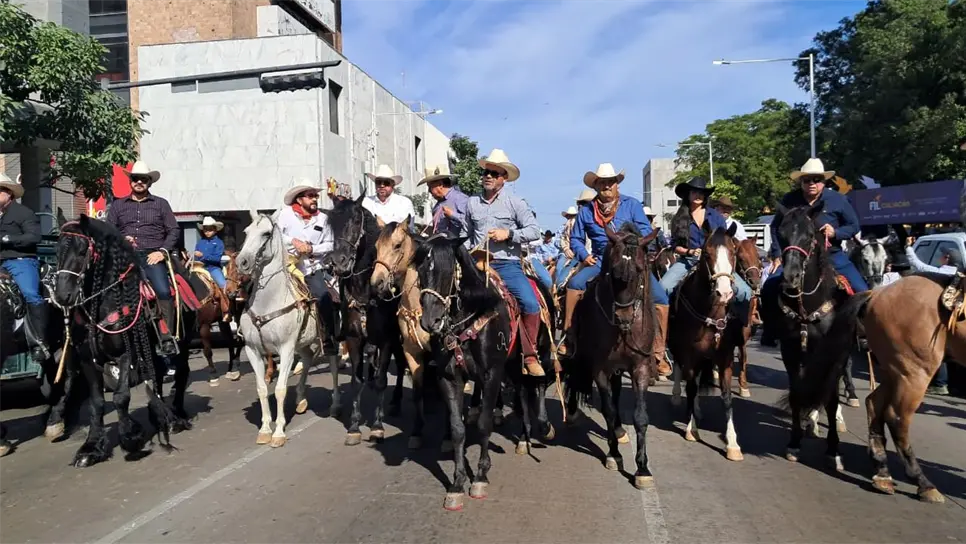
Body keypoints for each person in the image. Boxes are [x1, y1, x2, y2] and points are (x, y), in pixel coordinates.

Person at [560, 163, 672, 377]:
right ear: (596, 186)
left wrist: (634, 243)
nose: (606, 186)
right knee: (574, 284)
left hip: (630, 258)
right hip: (602, 260)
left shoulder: (632, 205)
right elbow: (575, 238)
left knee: (660, 299)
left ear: (616, 184)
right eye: (602, 182)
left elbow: (647, 230)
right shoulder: (586, 210)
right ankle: (570, 336)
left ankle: (658, 351)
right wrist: (585, 255)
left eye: (610, 182)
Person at [463, 148, 547, 377]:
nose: (488, 176)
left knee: (530, 304)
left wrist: (508, 234)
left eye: (494, 173)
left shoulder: (515, 203)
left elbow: (534, 231)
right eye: (486, 172)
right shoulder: (472, 204)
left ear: (504, 178)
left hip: (507, 265)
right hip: (478, 265)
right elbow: (467, 234)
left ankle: (529, 355)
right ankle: (454, 353)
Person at [106, 161, 181, 356]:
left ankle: (167, 337)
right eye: (135, 178)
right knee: (105, 289)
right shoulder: (117, 205)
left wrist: (162, 251)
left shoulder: (161, 204)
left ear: (149, 182)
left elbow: (173, 230)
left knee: (164, 291)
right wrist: (121, 239)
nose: (139, 182)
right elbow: (109, 230)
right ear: (130, 181)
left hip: (152, 255)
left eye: (143, 179)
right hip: (124, 256)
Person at [764, 158, 869, 293]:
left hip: (831, 254)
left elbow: (854, 225)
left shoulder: (838, 199)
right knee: (768, 289)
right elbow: (775, 227)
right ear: (801, 182)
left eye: (816, 179)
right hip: (794, 256)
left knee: (862, 291)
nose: (812, 183)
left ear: (824, 181)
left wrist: (835, 233)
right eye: (807, 180)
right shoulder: (789, 200)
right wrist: (777, 254)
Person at [659, 177, 754, 324]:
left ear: (705, 196)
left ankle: (739, 330)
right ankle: (666, 329)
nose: (698, 195)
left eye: (701, 193)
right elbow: (675, 245)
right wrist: (689, 252)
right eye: (694, 192)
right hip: (688, 261)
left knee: (745, 292)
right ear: (688, 195)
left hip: (718, 262)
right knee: (663, 288)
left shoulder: (715, 216)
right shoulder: (679, 218)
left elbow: (725, 240)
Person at [276, 181, 338, 342]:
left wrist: (312, 249)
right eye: (310, 196)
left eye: (316, 196)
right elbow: (274, 235)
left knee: (324, 297)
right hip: (284, 267)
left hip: (311, 268)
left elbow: (331, 244)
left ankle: (328, 337)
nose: (315, 199)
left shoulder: (324, 219)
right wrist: (293, 242)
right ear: (299, 200)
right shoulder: (285, 214)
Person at [0, 173, 49, 360]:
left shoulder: (23, 213)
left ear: (9, 193)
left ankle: (39, 342)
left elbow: (34, 237)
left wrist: (7, 239)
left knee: (30, 293)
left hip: (21, 261)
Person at [418, 163, 468, 237]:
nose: (429, 190)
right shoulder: (437, 205)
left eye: (430, 187)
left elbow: (469, 223)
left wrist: (452, 215)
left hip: (457, 245)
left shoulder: (460, 199)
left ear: (440, 184)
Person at [194, 216, 227, 289]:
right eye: (205, 230)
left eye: (210, 230)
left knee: (223, 284)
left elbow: (217, 259)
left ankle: (227, 298)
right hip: (199, 267)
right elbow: (196, 257)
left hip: (213, 268)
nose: (207, 232)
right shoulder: (200, 242)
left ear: (215, 230)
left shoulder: (219, 243)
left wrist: (203, 255)